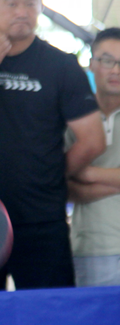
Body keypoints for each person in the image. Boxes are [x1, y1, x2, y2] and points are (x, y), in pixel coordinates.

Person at [0, 0, 105, 291]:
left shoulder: (61, 65)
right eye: (12, 4)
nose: (22, 12)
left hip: (42, 219)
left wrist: (51, 174)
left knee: (49, 313)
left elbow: (93, 140)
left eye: (30, 4)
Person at [68, 28, 120, 287]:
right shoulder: (72, 120)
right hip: (90, 248)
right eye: (107, 60)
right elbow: (63, 186)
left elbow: (74, 175)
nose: (116, 70)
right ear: (91, 64)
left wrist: (87, 174)